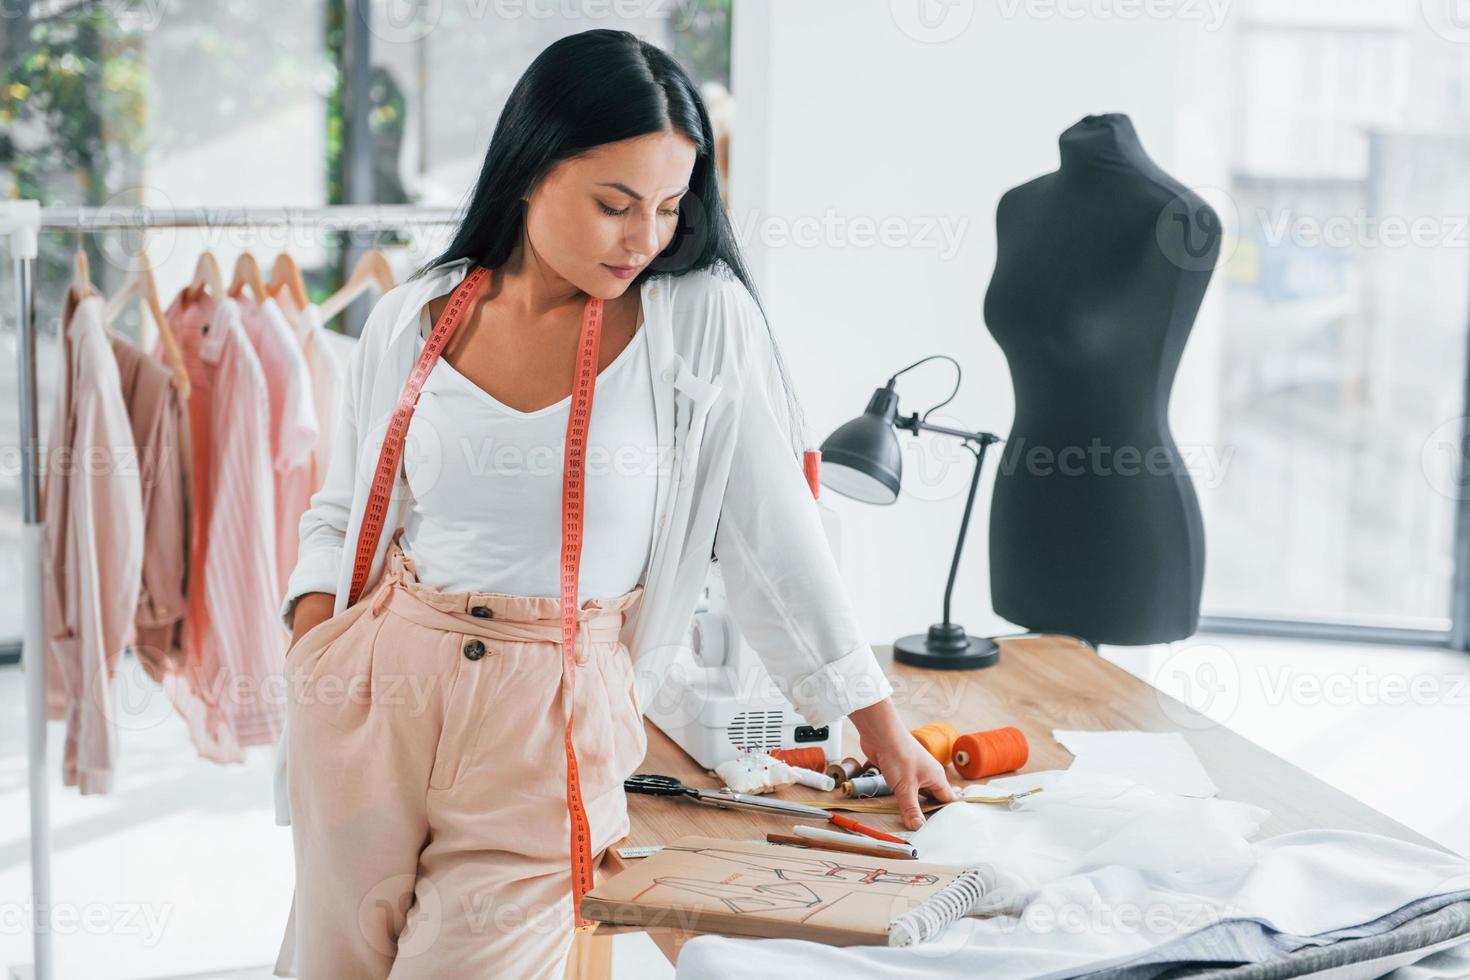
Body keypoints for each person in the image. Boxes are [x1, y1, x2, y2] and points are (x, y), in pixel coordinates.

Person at [272, 28, 954, 980]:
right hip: (379, 692)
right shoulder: (414, 315)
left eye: (670, 207)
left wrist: (881, 731)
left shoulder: (699, 321)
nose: (645, 238)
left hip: (549, 715)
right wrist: (315, 648)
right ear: (528, 169)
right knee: (329, 967)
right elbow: (342, 510)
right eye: (614, 204)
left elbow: (772, 535)